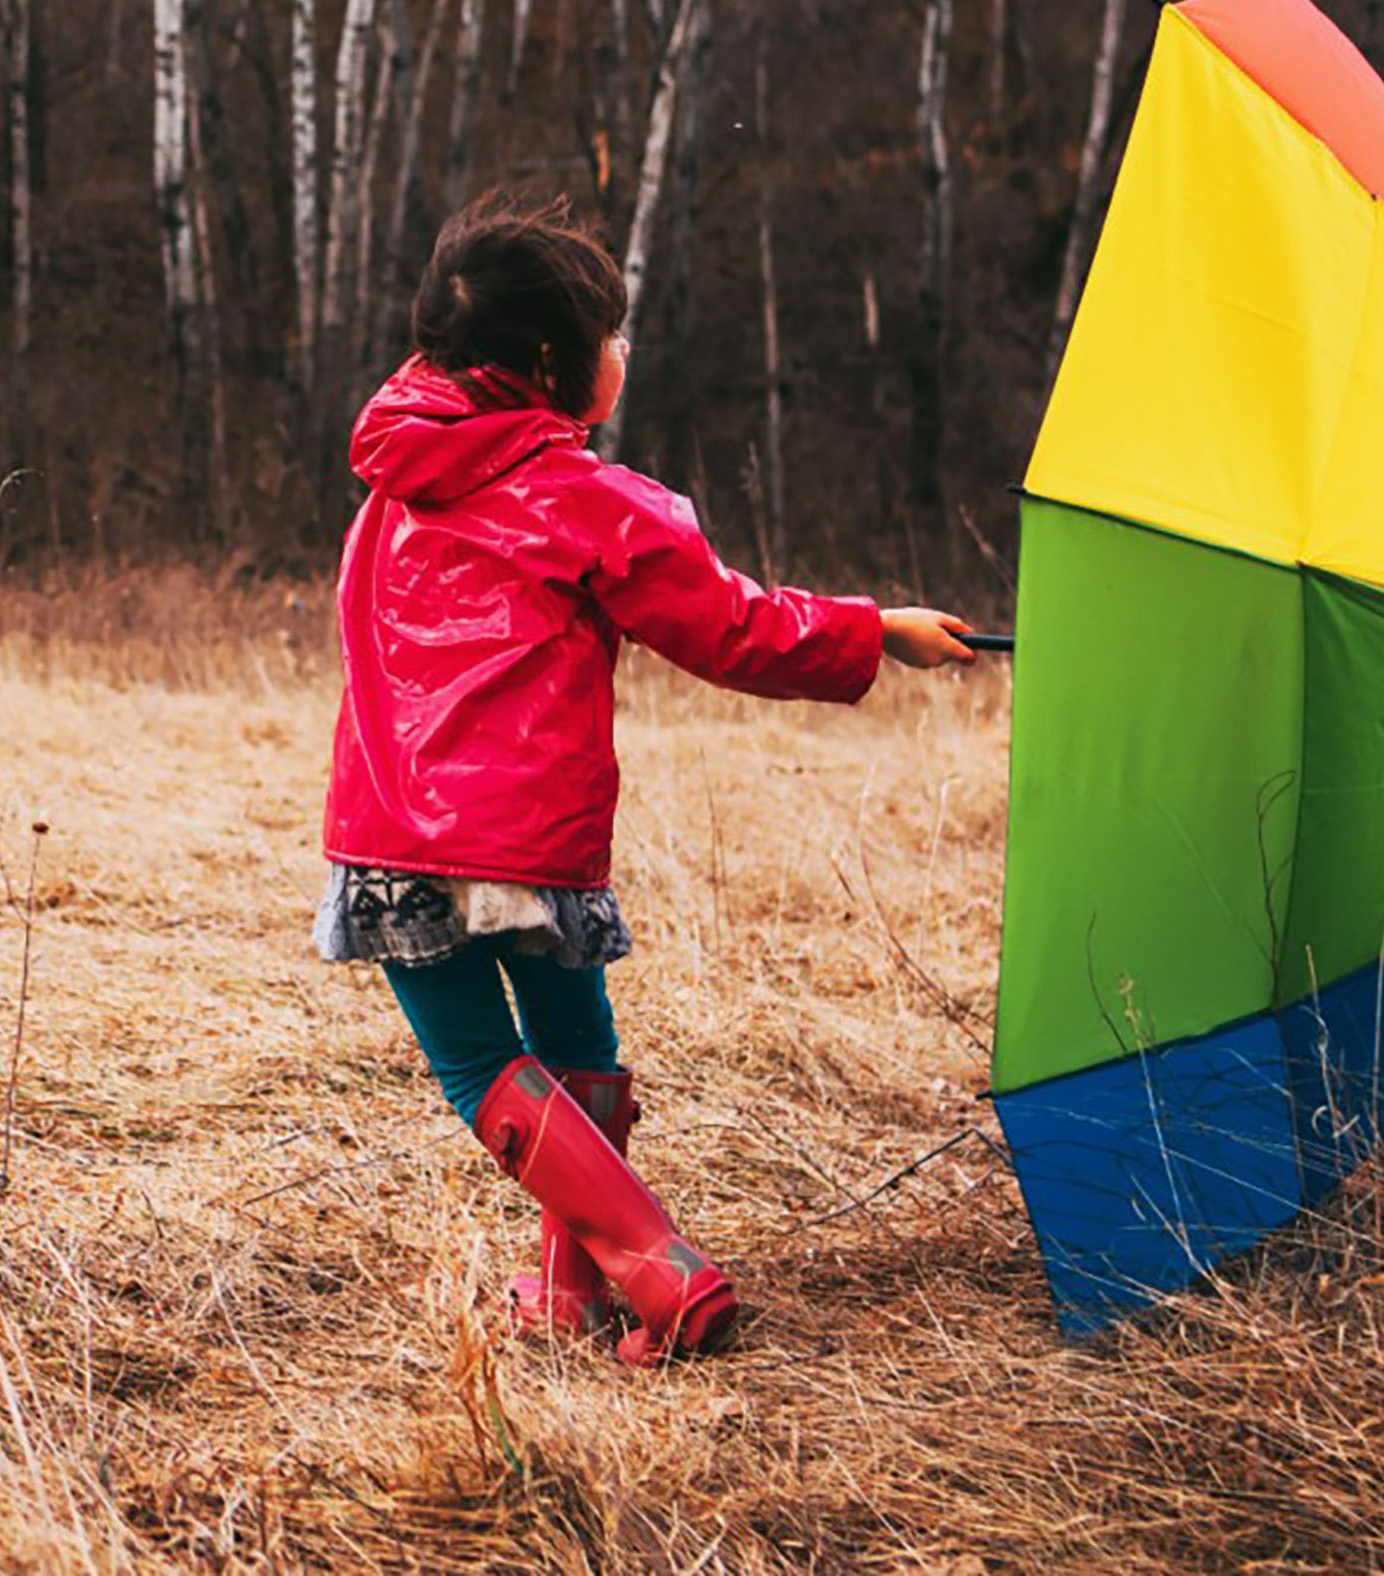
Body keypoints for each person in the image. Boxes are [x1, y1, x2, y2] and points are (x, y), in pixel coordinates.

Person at [315, 187, 976, 1365]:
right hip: (534, 843)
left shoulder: (393, 486)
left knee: (494, 1066)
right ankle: (658, 1270)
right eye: (611, 335)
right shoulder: (587, 499)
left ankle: (588, 1290)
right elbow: (734, 626)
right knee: (572, 1044)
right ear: (549, 363)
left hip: (402, 841)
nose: (623, 353)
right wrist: (874, 630)